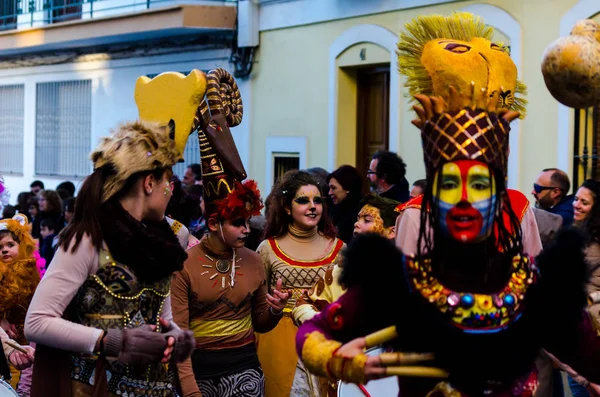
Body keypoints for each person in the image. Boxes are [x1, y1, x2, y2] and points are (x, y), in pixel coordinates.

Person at [295, 13, 600, 396]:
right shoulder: (401, 285)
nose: (464, 200)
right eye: (450, 184)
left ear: (499, 194)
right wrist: (339, 359)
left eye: (478, 184)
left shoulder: (535, 291)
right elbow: (313, 331)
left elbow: (592, 357)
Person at [24, 69, 209, 396]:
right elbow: (37, 321)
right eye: (168, 180)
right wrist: (110, 341)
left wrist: (176, 336)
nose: (172, 189)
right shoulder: (89, 238)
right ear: (149, 183)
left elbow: (163, 316)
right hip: (95, 388)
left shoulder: (162, 243)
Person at [171, 68, 288, 397]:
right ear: (212, 224)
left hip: (245, 369)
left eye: (247, 220)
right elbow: (179, 331)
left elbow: (260, 321)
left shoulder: (253, 260)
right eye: (237, 222)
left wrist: (276, 309)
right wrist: (190, 388)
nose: (245, 228)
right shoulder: (183, 264)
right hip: (198, 373)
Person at [257, 169, 344, 397]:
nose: (312, 206)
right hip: (278, 342)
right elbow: (257, 306)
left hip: (325, 340)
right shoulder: (267, 249)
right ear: (287, 207)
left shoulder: (339, 249)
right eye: (303, 200)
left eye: (317, 200)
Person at [0, 214, 40, 395]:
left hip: (27, 334)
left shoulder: (30, 270)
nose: (5, 251)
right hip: (5, 336)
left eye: (10, 245)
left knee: (25, 371)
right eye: (0, 247)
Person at [327, 165, 363, 242]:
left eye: (333, 188)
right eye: (329, 188)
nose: (329, 193)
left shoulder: (361, 212)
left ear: (347, 188)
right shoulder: (331, 209)